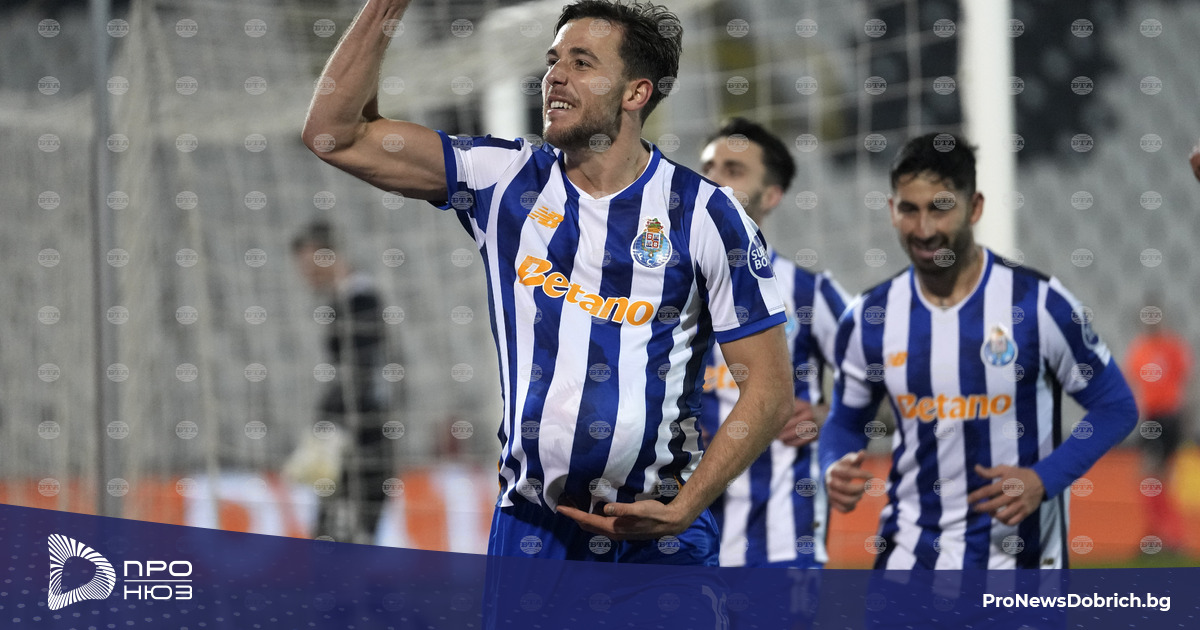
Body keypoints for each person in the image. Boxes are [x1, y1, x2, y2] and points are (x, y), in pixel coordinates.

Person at [302, 0, 792, 565]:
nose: (554, 75)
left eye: (581, 62)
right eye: (553, 60)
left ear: (635, 93)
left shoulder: (706, 214)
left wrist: (688, 505)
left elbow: (769, 391)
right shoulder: (503, 178)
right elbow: (334, 135)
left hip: (658, 535)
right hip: (532, 532)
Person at [818, 132, 1138, 570]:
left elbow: (1115, 407)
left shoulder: (1038, 304)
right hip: (909, 563)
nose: (924, 229)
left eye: (940, 208)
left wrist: (1043, 479)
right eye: (910, 209)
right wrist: (834, 465)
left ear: (975, 207)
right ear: (892, 210)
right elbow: (845, 423)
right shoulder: (869, 318)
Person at [697, 118, 849, 569]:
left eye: (734, 170)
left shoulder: (806, 292)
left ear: (771, 196)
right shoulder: (656, 288)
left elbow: (890, 366)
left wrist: (829, 415)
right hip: (677, 541)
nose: (714, 181)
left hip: (781, 547)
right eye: (708, 168)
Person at [288, 220, 394, 544]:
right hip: (357, 428)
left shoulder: (360, 299)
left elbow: (363, 370)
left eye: (309, 266)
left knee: (345, 532)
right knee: (335, 530)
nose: (305, 275)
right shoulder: (345, 299)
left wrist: (331, 424)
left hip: (364, 433)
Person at [1125, 300, 1193, 550]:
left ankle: (1167, 534)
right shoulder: (1140, 349)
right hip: (1152, 417)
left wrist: (1184, 420)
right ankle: (1161, 534)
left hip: (1167, 417)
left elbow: (1185, 384)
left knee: (1152, 475)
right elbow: (1137, 386)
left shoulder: (1172, 347)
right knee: (1152, 477)